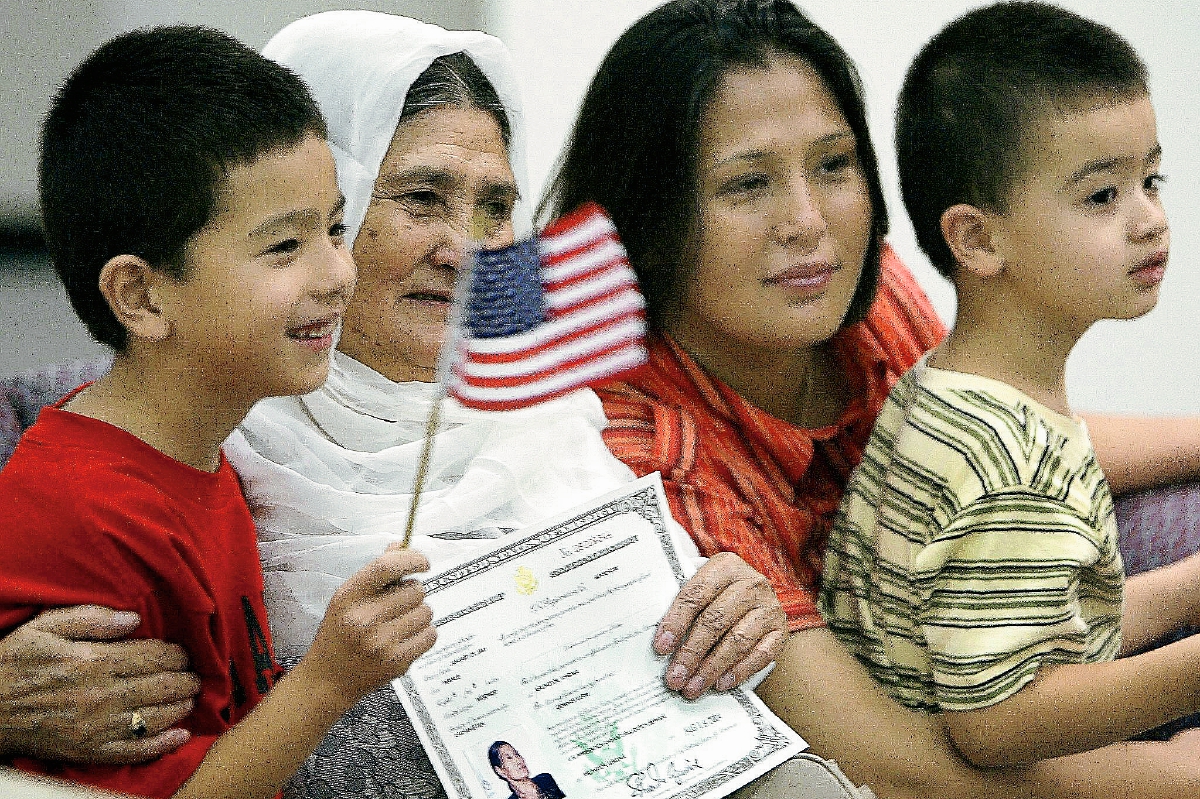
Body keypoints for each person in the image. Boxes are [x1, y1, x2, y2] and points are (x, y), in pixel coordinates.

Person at [0, 12, 787, 799]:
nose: (465, 250)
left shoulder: (553, 422)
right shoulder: (194, 431)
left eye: (494, 206)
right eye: (420, 197)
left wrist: (723, 610)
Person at [543, 0, 1200, 796]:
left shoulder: (854, 286)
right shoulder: (635, 452)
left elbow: (1003, 453)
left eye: (833, 165)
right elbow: (896, 763)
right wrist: (1176, 775)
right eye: (748, 183)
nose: (809, 222)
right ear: (650, 216)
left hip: (962, 655)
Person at [0, 25, 436, 799]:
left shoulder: (201, 454)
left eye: (335, 228)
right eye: (283, 246)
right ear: (141, 295)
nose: (338, 273)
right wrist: (330, 678)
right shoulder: (82, 515)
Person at [820, 0, 1200, 768]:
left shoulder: (950, 388)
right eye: (1103, 195)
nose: (1151, 220)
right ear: (978, 238)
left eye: (1150, 179)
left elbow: (1058, 624)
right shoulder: (1006, 463)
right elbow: (998, 722)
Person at [487, 741, 564, 799]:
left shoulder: (546, 779)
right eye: (509, 758)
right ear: (500, 771)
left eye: (517, 754)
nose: (518, 760)